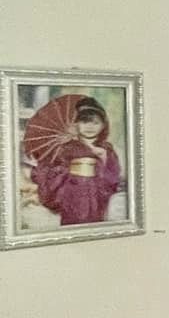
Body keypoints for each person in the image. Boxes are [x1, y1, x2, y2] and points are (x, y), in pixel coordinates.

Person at [29, 96, 124, 226]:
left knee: (95, 225)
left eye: (95, 123)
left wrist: (104, 157)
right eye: (84, 122)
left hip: (97, 194)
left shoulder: (106, 149)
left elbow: (113, 177)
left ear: (103, 125)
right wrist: (70, 174)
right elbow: (49, 170)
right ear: (76, 124)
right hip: (73, 192)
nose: (90, 127)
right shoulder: (66, 148)